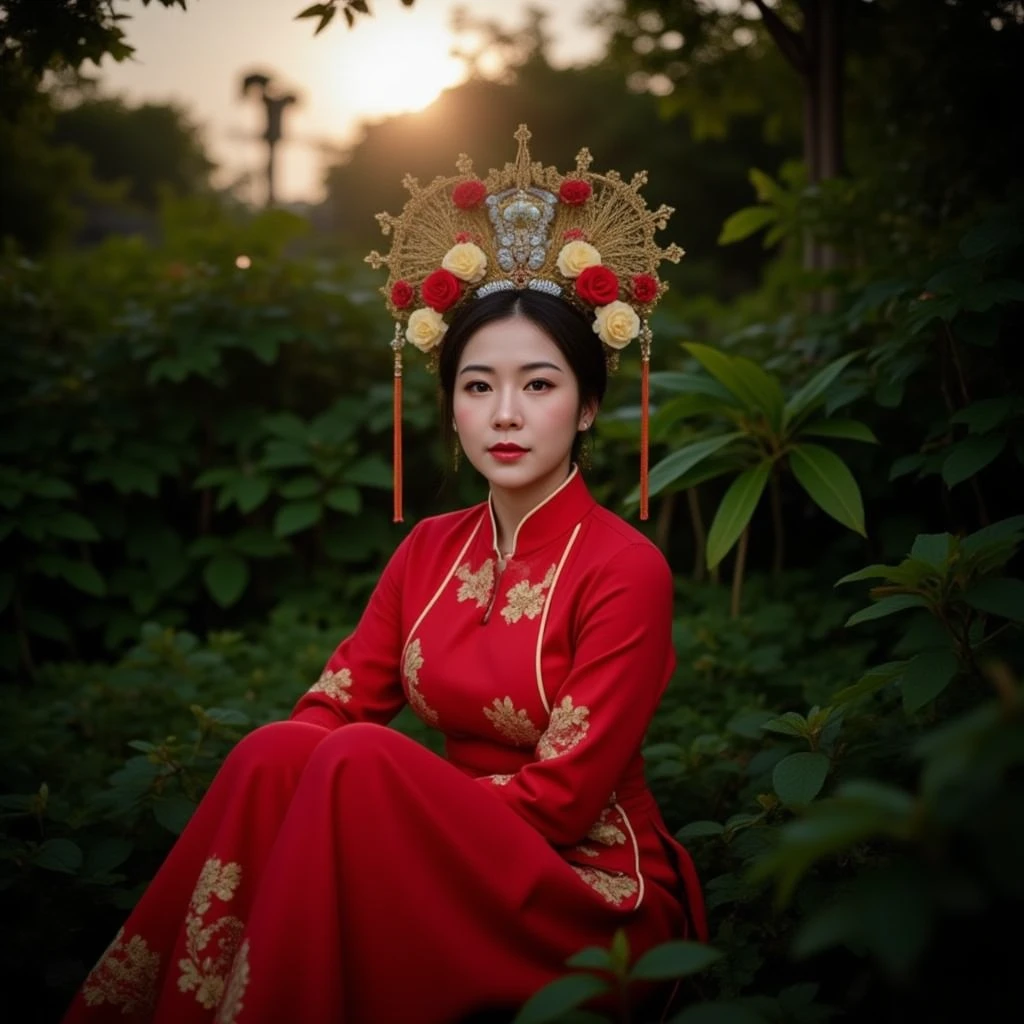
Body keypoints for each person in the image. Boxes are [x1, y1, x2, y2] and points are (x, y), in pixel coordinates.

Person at [61, 125, 706, 1024]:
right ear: (450, 406)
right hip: (444, 843)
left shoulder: (623, 568)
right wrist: (323, 784)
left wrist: (382, 802)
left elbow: (562, 804)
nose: (506, 414)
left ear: (590, 404)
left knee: (360, 763)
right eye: (478, 386)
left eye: (540, 385)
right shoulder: (429, 550)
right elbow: (333, 708)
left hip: (586, 886)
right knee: (280, 748)